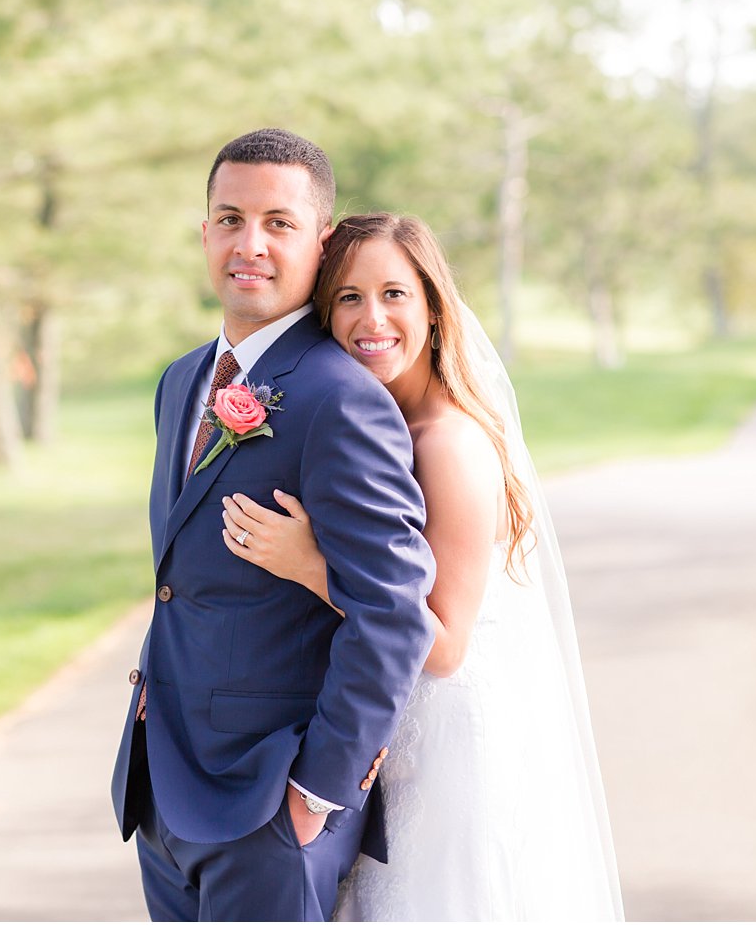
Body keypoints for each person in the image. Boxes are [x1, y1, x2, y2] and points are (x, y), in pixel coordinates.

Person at [218, 213, 625, 921]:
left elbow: (442, 646)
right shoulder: (376, 427)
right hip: (384, 737)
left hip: (444, 752)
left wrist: (312, 565)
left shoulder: (449, 443)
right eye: (347, 296)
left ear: (434, 309)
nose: (371, 318)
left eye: (394, 294)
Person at [110, 133, 437, 922]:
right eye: (230, 218)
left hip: (270, 805)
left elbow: (392, 616)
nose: (249, 243)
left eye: (278, 223)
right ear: (205, 233)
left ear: (320, 242)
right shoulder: (183, 380)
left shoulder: (341, 398)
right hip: (165, 789)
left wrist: (317, 791)